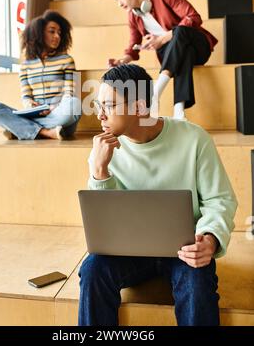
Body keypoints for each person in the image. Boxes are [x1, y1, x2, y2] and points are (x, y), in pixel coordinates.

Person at [78, 64, 237, 326]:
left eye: (109, 105)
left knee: (197, 279)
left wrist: (209, 239)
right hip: (128, 252)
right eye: (98, 105)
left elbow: (220, 199)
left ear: (140, 107)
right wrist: (99, 172)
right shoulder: (103, 152)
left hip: (184, 250)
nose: (100, 115)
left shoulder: (194, 139)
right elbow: (106, 222)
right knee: (93, 270)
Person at [109, 0, 218, 120]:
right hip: (178, 56)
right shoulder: (133, 16)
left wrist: (161, 39)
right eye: (117, 0)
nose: (120, 4)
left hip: (199, 45)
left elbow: (193, 17)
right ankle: (179, 111)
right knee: (185, 53)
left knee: (179, 31)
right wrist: (122, 61)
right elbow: (133, 46)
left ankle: (157, 89)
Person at [0, 10, 81, 140]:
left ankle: (21, 129)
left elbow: (70, 93)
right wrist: (30, 104)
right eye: (52, 31)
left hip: (59, 115)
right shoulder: (25, 65)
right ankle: (47, 132)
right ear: (39, 33)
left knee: (74, 105)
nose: (57, 36)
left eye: (59, 33)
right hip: (36, 115)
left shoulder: (66, 60)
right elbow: (26, 97)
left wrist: (54, 107)